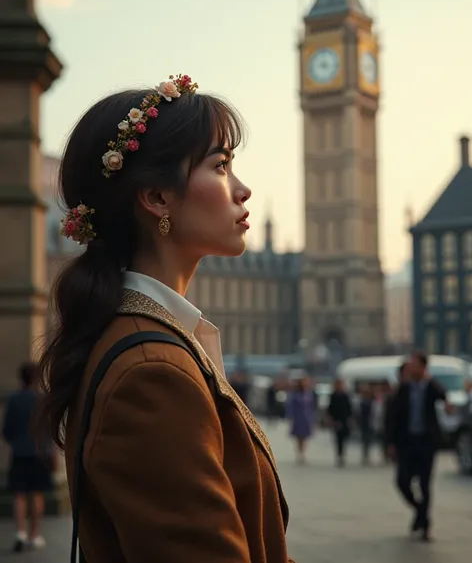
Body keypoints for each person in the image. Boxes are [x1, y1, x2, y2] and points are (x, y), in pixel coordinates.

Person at [37, 76, 295, 563]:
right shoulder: (151, 373)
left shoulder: (145, 339)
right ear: (156, 197)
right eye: (220, 166)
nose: (242, 190)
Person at [387, 351, 448, 541]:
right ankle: (420, 511)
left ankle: (425, 526)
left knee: (424, 484)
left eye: (414, 365)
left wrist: (429, 380)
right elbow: (392, 418)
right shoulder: (402, 389)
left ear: (423, 367)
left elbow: (444, 396)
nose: (410, 368)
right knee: (402, 481)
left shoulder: (430, 387)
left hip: (426, 442)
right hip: (406, 442)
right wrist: (390, 443)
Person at [2, 362, 54, 552]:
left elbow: (6, 430)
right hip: (39, 453)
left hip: (19, 452)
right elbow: (49, 431)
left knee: (19, 494)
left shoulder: (13, 400)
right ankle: (34, 535)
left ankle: (20, 532)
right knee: (37, 494)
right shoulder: (42, 400)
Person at [285, 377, 316, 464]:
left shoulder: (309, 394)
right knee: (298, 436)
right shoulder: (295, 394)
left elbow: (312, 407)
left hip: (306, 418)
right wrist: (290, 416)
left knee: (305, 436)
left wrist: (313, 418)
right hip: (298, 417)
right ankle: (299, 452)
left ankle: (303, 452)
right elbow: (291, 406)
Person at [327, 378, 353, 467]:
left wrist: (350, 418)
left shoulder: (345, 395)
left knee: (344, 438)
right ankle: (339, 455)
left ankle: (342, 454)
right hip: (336, 420)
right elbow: (330, 408)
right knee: (338, 439)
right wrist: (330, 419)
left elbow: (349, 408)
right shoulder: (333, 396)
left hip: (344, 420)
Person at [357, 384, 374, 465]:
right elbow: (359, 414)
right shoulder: (361, 402)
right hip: (364, 423)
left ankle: (367, 456)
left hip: (371, 423)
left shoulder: (372, 402)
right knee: (365, 440)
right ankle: (365, 456)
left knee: (368, 440)